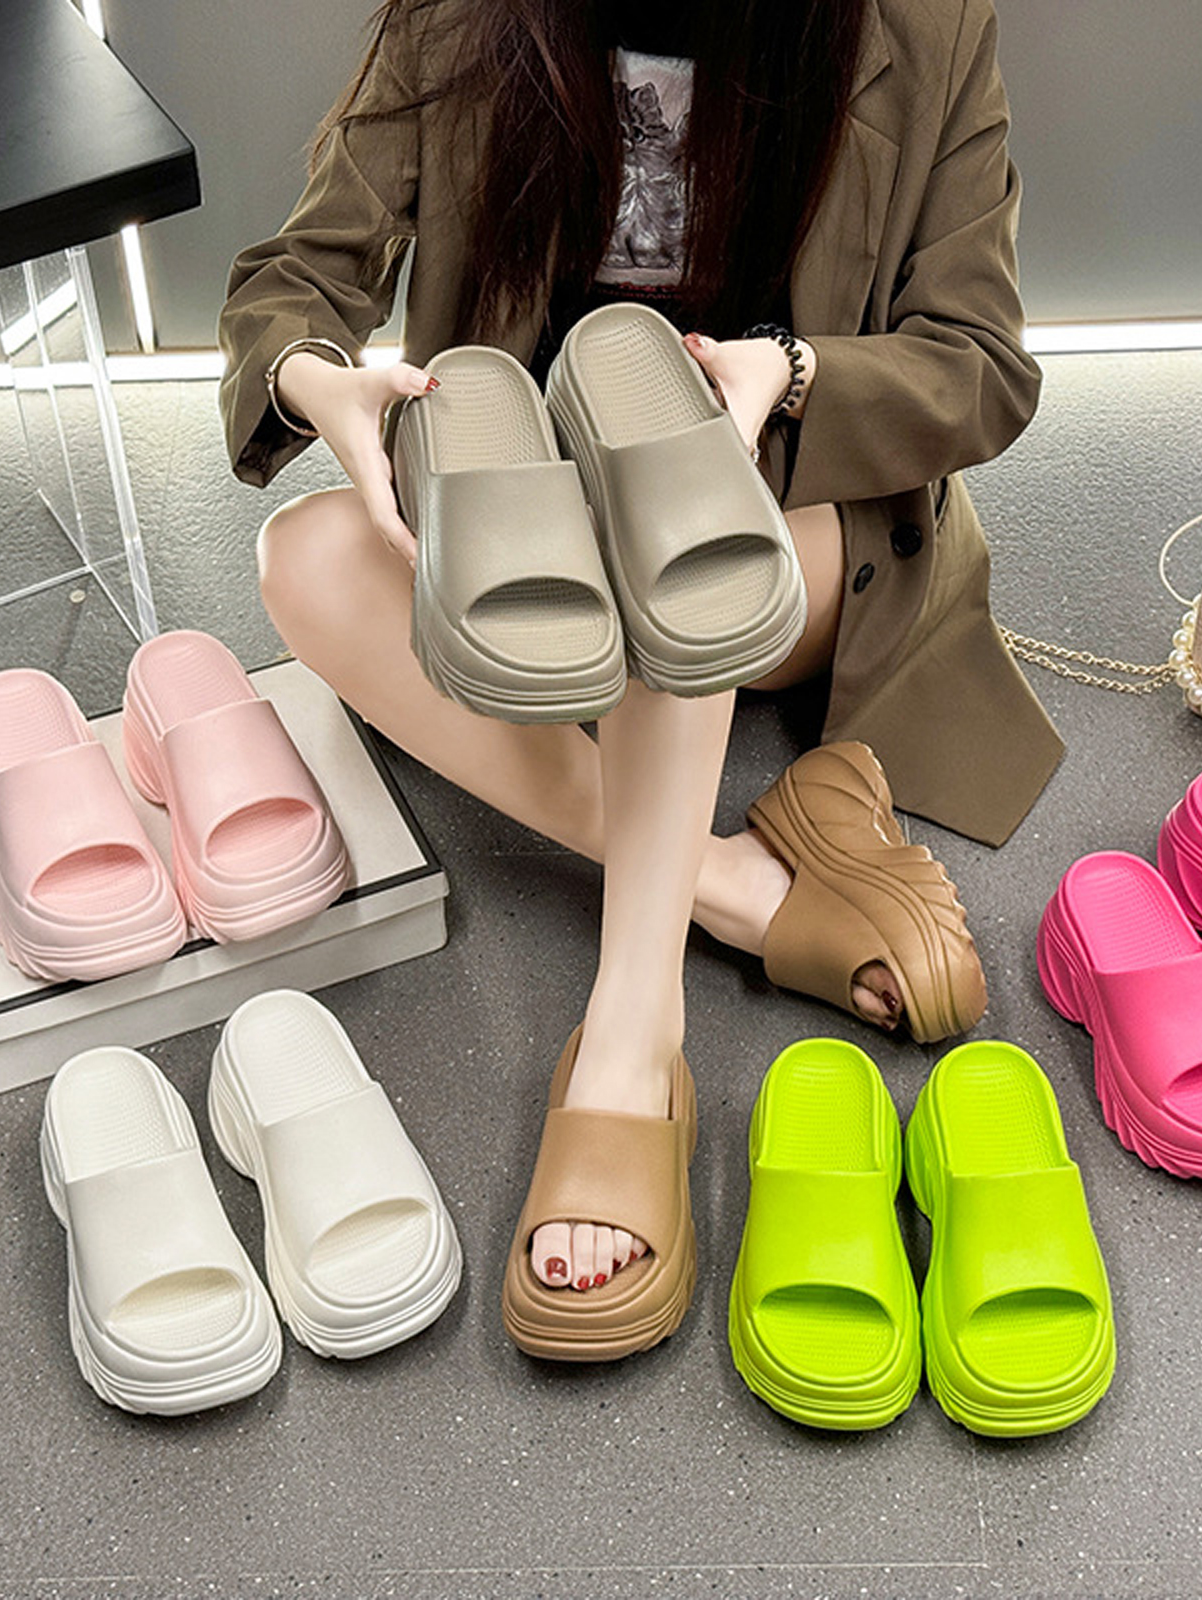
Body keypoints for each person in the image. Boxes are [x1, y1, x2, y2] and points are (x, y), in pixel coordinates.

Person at [218, 0, 1062, 1352]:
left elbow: (980, 366)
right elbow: (298, 277)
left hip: (778, 521)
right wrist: (320, 382)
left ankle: (630, 1031)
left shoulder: (924, 27)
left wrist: (789, 377)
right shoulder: (460, 14)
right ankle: (735, 888)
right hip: (531, 523)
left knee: (673, 542)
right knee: (304, 559)